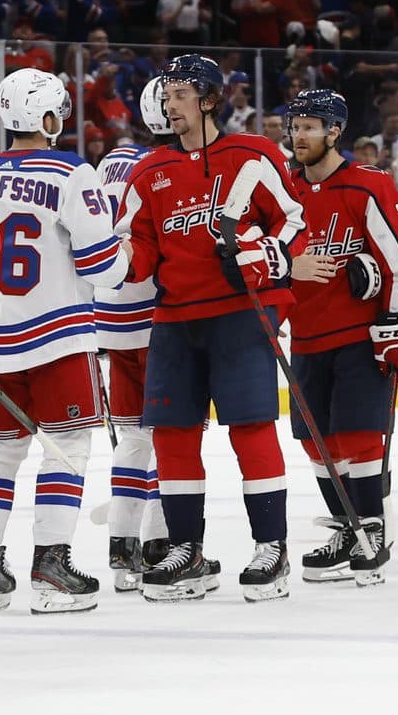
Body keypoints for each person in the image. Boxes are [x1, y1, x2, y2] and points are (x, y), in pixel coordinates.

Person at [118, 54, 308, 601]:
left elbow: (293, 220)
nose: (169, 103)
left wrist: (270, 253)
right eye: (166, 94)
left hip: (240, 315)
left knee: (250, 428)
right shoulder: (149, 171)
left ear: (207, 99)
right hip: (175, 318)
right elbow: (139, 245)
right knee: (173, 433)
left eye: (180, 94)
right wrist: (110, 260)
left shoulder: (254, 154)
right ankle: (188, 551)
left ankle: (271, 547)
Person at [0, 70, 126, 614]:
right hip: (57, 337)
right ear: (50, 119)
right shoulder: (71, 170)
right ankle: (51, 566)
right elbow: (102, 265)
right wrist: (128, 253)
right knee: (68, 448)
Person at [284, 90, 398, 584]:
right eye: (295, 125)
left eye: (309, 126)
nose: (298, 135)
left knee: (359, 438)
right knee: (315, 442)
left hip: (355, 335)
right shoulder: (284, 190)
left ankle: (372, 531)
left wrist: (392, 322)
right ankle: (348, 529)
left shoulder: (366, 186)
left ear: (334, 132)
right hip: (303, 335)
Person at [94, 79, 171, 590]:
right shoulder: (161, 169)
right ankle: (160, 546)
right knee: (170, 435)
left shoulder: (105, 165)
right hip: (154, 316)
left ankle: (122, 549)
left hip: (108, 314)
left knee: (131, 435)